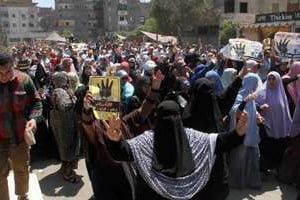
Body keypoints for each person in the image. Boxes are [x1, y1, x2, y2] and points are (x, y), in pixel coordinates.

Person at [103, 100, 248, 200]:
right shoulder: (146, 142)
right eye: (167, 117)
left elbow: (220, 142)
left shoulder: (193, 138)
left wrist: (238, 133)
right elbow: (123, 152)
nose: (170, 121)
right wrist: (114, 140)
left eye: (174, 116)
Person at [0, 52, 43, 200]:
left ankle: (22, 195)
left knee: (22, 170)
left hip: (20, 138)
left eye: (8, 72)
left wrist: (34, 119)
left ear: (13, 67)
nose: (4, 76)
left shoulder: (25, 80)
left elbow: (37, 103)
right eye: (0, 73)